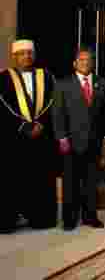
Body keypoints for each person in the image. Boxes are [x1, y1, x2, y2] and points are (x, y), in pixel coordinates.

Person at [0, 40, 58, 233]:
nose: (26, 57)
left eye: (29, 53)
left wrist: (40, 124)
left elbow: (54, 102)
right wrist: (23, 125)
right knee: (12, 178)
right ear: (14, 57)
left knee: (39, 177)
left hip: (41, 137)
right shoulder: (3, 78)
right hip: (13, 138)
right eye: (22, 53)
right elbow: (2, 108)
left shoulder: (47, 76)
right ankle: (9, 219)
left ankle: (40, 216)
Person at [53, 48, 105, 230]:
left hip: (94, 141)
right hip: (70, 141)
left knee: (91, 180)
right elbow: (58, 113)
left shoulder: (102, 83)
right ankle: (69, 219)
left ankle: (90, 216)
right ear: (74, 63)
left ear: (92, 63)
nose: (85, 63)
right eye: (81, 60)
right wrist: (61, 137)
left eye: (89, 60)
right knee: (70, 181)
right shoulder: (63, 84)